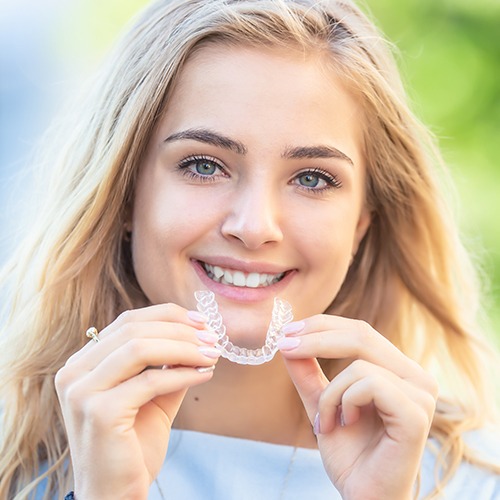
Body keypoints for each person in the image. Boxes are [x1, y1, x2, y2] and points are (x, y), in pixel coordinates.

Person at [0, 0, 499, 498]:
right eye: (203, 165)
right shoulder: (18, 473)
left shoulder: (473, 483)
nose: (255, 226)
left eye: (311, 177)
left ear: (362, 225)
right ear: (124, 193)